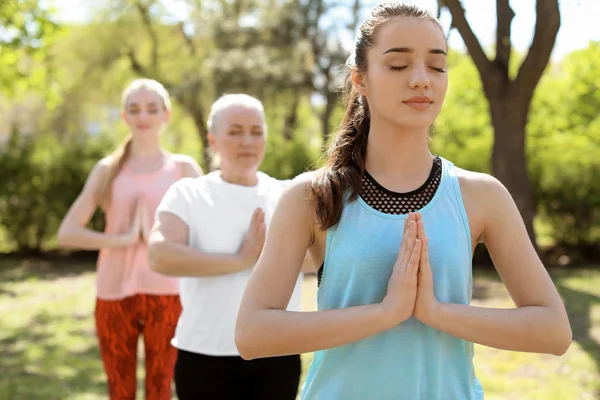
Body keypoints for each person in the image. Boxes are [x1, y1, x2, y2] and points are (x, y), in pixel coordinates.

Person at [234, 3, 572, 400]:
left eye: (436, 66)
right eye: (398, 65)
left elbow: (553, 331)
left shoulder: (482, 196)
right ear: (360, 79)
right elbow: (253, 334)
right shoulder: (311, 197)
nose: (420, 80)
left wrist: (438, 313)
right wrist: (384, 313)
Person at [148, 93, 312, 400]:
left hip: (276, 352)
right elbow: (160, 255)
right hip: (205, 353)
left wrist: (266, 257)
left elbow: (319, 260)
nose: (247, 141)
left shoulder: (288, 195)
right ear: (213, 140)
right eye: (235, 131)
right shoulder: (188, 193)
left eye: (256, 131)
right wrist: (238, 259)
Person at [57, 78, 202, 400]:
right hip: (113, 295)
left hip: (168, 294)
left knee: (160, 388)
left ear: (166, 114)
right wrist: (125, 239)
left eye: (152, 108)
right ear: (124, 116)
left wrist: (166, 241)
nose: (143, 116)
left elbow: (209, 229)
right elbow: (67, 233)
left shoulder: (183, 169)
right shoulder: (107, 169)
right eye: (134, 109)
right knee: (119, 390)